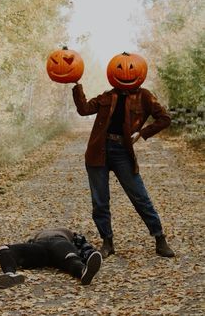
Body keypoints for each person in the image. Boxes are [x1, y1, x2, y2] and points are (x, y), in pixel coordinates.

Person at [72, 52, 175, 259]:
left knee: (140, 196)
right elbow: (83, 110)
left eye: (130, 68)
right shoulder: (106, 97)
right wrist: (76, 84)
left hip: (122, 152)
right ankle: (107, 242)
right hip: (98, 152)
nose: (126, 73)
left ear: (139, 72)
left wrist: (142, 133)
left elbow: (164, 118)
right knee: (100, 201)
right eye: (120, 68)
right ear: (112, 73)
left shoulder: (145, 96)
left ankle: (159, 238)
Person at [0, 227, 102, 288]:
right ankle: (9, 274)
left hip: (59, 243)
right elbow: (27, 248)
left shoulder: (71, 233)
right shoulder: (35, 237)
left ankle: (83, 271)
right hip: (39, 248)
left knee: (70, 257)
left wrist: (90, 255)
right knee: (3, 249)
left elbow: (84, 246)